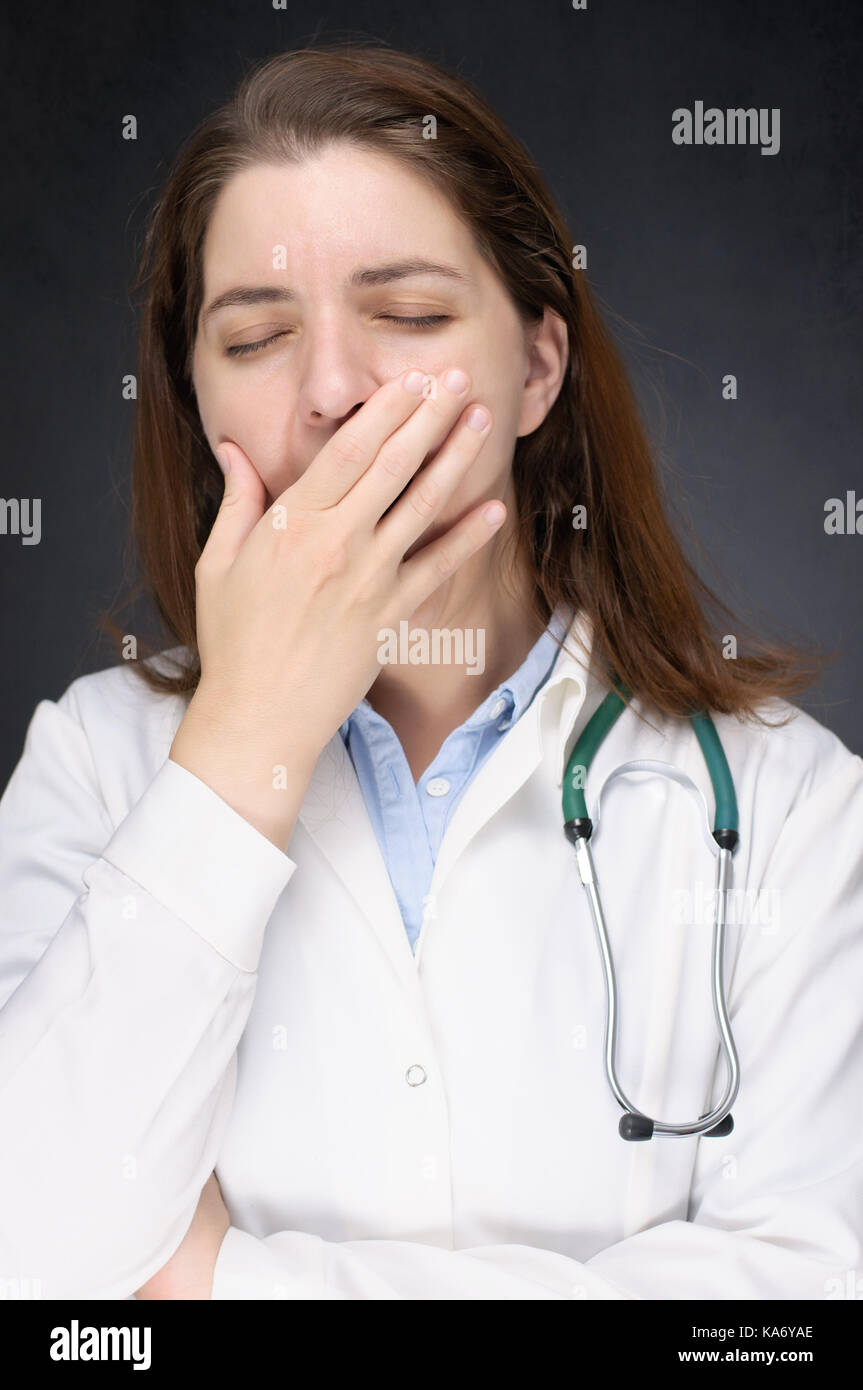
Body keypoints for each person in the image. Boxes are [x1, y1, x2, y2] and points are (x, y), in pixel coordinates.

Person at [1, 42, 861, 1302]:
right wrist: (246, 738)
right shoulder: (94, 762)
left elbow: (794, 1311)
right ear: (192, 398)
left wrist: (214, 1282)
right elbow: (25, 1253)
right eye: (254, 336)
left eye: (405, 316)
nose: (335, 390)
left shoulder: (792, 806)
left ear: (536, 368)